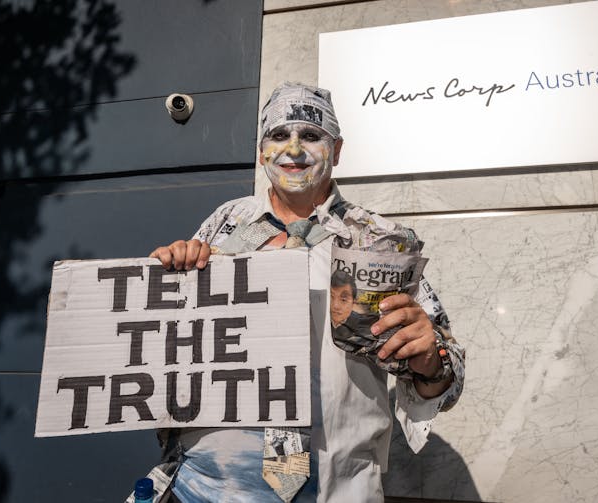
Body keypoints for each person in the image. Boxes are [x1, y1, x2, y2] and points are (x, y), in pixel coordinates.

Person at [148, 82, 465, 502]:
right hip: (205, 486)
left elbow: (450, 372)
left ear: (336, 150)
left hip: (336, 488)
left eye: (311, 136)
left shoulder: (381, 240)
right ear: (262, 151)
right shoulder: (224, 223)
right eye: (279, 135)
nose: (293, 150)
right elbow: (174, 339)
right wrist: (172, 272)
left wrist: (430, 359)